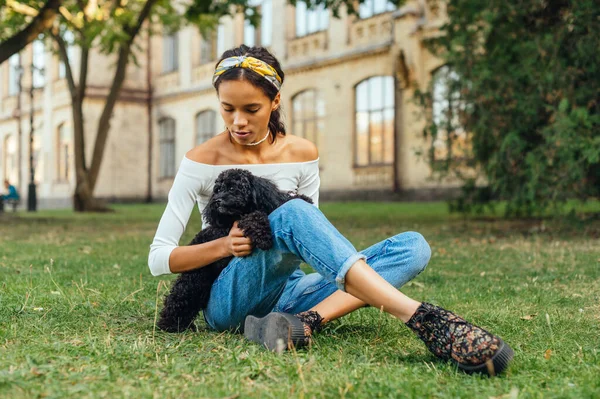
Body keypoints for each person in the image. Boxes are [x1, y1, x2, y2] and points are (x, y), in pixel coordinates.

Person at [148, 45, 513, 376]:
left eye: (251, 109)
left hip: (291, 289)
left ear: (275, 102)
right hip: (229, 295)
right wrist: (225, 246)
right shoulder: (200, 161)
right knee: (292, 213)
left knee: (413, 247)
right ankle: (421, 318)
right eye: (227, 109)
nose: (238, 122)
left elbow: (308, 236)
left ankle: (305, 321)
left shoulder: (303, 153)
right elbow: (159, 257)